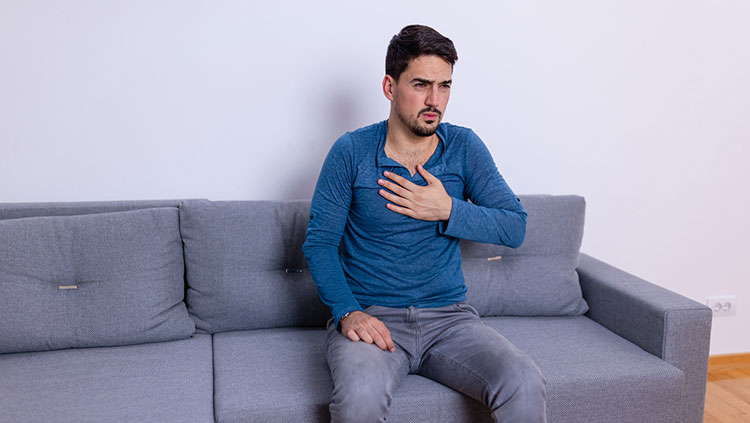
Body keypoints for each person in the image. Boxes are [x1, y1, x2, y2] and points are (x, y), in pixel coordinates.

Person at [302, 24, 547, 423]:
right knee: (358, 399)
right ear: (389, 86)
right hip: (374, 318)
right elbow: (320, 244)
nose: (435, 100)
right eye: (421, 84)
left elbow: (514, 227)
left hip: (450, 319)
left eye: (445, 86)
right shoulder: (351, 152)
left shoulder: (464, 147)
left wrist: (448, 209)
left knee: (523, 378)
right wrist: (348, 312)